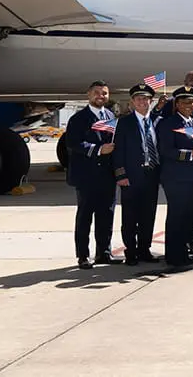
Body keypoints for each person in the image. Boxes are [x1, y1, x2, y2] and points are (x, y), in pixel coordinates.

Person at [64, 80, 120, 269]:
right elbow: (72, 143)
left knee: (106, 215)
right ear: (89, 95)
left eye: (104, 93)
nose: (101, 96)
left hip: (107, 176)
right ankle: (83, 256)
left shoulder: (111, 116)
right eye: (96, 92)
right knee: (85, 217)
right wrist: (97, 150)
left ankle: (104, 253)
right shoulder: (78, 119)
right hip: (87, 176)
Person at [112, 83, 162, 266]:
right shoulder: (124, 123)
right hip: (131, 176)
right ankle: (130, 251)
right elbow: (118, 152)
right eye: (139, 99)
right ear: (132, 102)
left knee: (148, 215)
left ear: (151, 101)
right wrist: (120, 175)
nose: (143, 102)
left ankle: (144, 249)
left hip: (152, 175)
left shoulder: (158, 121)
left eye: (146, 98)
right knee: (130, 215)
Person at [157, 86, 193, 269]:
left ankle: (183, 251)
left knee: (187, 216)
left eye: (192, 102)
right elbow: (166, 150)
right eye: (185, 102)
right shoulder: (168, 123)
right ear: (177, 104)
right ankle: (174, 254)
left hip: (192, 177)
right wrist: (189, 154)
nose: (189, 105)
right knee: (176, 216)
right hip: (175, 177)